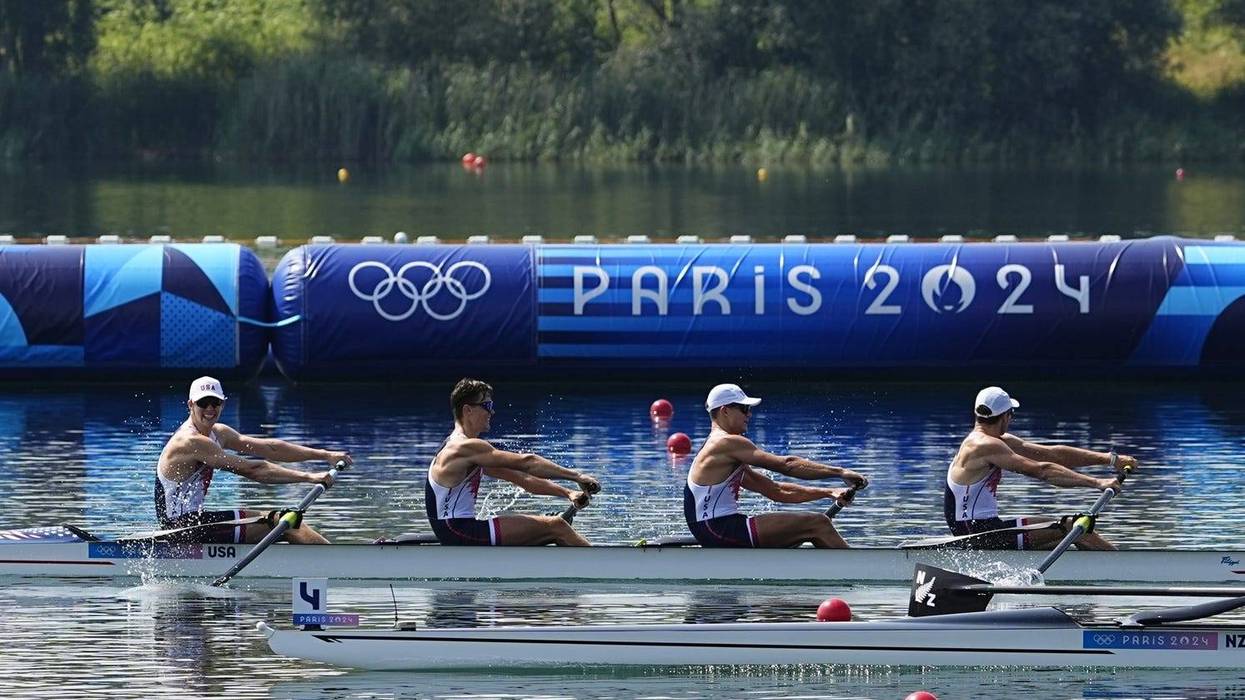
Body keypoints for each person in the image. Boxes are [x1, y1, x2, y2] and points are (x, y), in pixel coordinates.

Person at [154, 376, 350, 544]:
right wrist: (309, 477)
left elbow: (270, 448)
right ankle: (344, 566)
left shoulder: (218, 433)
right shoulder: (189, 441)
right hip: (179, 529)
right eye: (203, 403)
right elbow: (253, 470)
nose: (210, 409)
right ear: (190, 405)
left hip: (195, 522)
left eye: (215, 402)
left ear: (223, 403)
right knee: (288, 522)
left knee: (279, 522)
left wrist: (325, 455)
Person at [944, 386, 1137, 550]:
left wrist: (1111, 460)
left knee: (1064, 532)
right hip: (978, 533)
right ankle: (1131, 573)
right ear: (1004, 417)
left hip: (986, 528)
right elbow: (1042, 470)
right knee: (1075, 528)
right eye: (1011, 414)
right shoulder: (983, 446)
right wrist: (1097, 482)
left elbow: (1053, 455)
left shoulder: (994, 441)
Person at [685, 383, 868, 548]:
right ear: (724, 410)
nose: (749, 414)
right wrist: (841, 472)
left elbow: (776, 491)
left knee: (809, 526)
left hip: (714, 529)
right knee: (818, 523)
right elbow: (787, 465)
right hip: (720, 528)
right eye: (744, 408)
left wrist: (828, 492)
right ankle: (861, 571)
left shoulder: (721, 453)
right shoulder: (726, 443)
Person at [426, 378, 601, 546]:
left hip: (455, 531)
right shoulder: (463, 447)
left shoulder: (464, 452)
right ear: (467, 410)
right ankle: (602, 569)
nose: (492, 412)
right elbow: (528, 462)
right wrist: (578, 476)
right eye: (487, 405)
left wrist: (568, 493)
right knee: (557, 526)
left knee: (550, 526)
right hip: (459, 531)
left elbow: (522, 478)